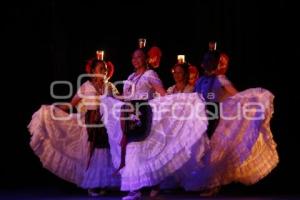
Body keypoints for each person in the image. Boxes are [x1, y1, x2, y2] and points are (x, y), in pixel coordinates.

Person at [99, 47, 208, 200]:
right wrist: (111, 98)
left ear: (146, 59)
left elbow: (162, 94)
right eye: (133, 57)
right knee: (132, 150)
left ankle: (147, 188)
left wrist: (173, 104)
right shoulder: (130, 76)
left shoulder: (150, 74)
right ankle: (135, 190)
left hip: (145, 117)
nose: (135, 60)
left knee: (145, 153)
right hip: (131, 116)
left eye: (139, 57)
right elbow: (127, 96)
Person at [28, 54, 120, 196]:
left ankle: (102, 183)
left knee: (103, 154)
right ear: (93, 71)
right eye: (101, 68)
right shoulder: (86, 86)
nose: (104, 71)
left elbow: (116, 104)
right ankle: (92, 184)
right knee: (92, 153)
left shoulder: (109, 87)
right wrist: (54, 108)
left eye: (106, 69)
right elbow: (71, 105)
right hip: (89, 123)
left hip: (104, 124)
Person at [189, 50, 279, 196]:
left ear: (216, 63)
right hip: (202, 118)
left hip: (219, 120)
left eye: (211, 60)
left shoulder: (221, 79)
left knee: (215, 152)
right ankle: (207, 182)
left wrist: (252, 101)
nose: (208, 63)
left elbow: (237, 96)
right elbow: (193, 98)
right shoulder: (200, 81)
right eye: (206, 60)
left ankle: (213, 185)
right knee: (202, 151)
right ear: (202, 63)